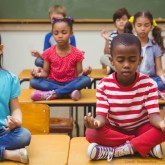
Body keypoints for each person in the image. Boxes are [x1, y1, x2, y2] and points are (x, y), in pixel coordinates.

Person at [84, 33, 165, 162]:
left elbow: (153, 116)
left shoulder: (149, 84)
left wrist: (161, 123)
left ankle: (115, 151)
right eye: (120, 60)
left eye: (132, 60)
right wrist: (95, 123)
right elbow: (101, 117)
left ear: (140, 59)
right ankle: (142, 147)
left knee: (162, 130)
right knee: (90, 132)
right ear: (111, 61)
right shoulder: (104, 85)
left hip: (141, 128)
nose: (126, 65)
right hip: (115, 129)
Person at [30, 17, 92, 101]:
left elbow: (79, 75)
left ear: (71, 34)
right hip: (53, 82)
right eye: (56, 33)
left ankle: (54, 94)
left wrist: (84, 72)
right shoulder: (48, 52)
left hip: (71, 81)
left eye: (64, 33)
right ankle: (69, 92)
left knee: (86, 79)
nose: (60, 36)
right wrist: (38, 75)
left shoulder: (77, 53)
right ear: (52, 34)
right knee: (33, 81)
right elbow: (45, 73)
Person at [0, 35, 31, 163]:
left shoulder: (10, 78)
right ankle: (7, 154)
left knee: (24, 135)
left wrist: (17, 121)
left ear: (0, 49)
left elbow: (16, 108)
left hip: (3, 132)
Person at [124, 11, 165, 91]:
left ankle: (145, 91)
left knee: (160, 84)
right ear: (134, 26)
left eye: (146, 25)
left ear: (151, 27)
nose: (143, 29)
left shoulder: (155, 46)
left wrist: (163, 76)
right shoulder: (129, 45)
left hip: (151, 79)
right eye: (139, 25)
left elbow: (159, 69)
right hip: (133, 79)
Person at [100, 8, 130, 74]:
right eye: (118, 20)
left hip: (127, 60)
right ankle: (119, 70)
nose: (121, 22)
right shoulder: (112, 35)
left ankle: (113, 70)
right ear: (115, 23)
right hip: (116, 59)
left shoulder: (132, 35)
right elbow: (107, 53)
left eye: (124, 19)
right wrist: (107, 39)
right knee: (103, 58)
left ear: (129, 21)